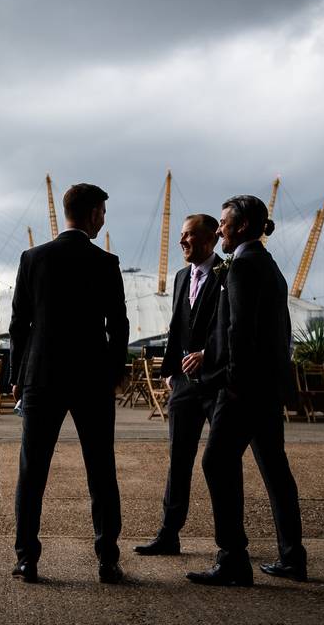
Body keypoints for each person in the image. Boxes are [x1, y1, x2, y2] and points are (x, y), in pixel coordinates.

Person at [9, 182, 129, 584]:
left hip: (42, 378)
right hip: (93, 380)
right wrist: (113, 373)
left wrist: (16, 377)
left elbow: (19, 326)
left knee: (32, 472)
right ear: (94, 213)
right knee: (101, 469)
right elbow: (120, 327)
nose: (104, 220)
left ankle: (27, 558)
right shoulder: (106, 263)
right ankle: (107, 558)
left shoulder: (33, 258)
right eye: (103, 214)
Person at [187, 195, 307, 586]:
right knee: (275, 469)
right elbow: (268, 331)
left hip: (243, 389)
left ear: (240, 226)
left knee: (216, 462)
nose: (218, 228)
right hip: (268, 387)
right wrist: (211, 353)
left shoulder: (240, 267)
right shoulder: (270, 267)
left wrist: (233, 382)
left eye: (223, 223)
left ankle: (233, 558)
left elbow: (239, 330)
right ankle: (293, 556)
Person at [133, 214, 221, 556]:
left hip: (216, 384)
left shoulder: (228, 273)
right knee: (178, 460)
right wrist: (171, 373)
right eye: (181, 235)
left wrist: (208, 356)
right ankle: (169, 534)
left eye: (188, 236)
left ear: (209, 238)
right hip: (184, 384)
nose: (182, 242)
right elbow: (176, 327)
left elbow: (230, 328)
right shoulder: (182, 276)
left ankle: (230, 541)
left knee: (221, 462)